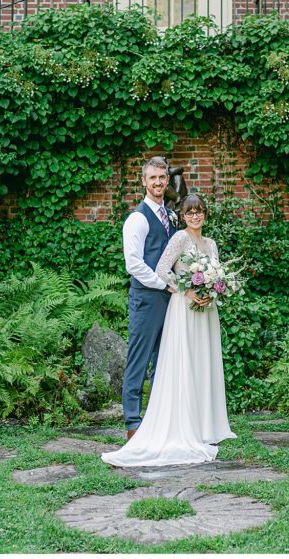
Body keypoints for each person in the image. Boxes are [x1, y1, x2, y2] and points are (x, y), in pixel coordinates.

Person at [103, 193, 236, 467]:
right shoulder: (178, 237)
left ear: (205, 214)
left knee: (203, 363)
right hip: (184, 307)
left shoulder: (211, 243)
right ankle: (143, 423)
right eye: (190, 212)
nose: (195, 216)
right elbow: (163, 268)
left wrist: (214, 290)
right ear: (184, 216)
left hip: (206, 311)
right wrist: (186, 290)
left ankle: (205, 425)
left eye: (199, 211)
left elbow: (217, 273)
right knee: (181, 362)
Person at [120, 156, 177, 441]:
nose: (157, 182)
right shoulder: (138, 219)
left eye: (162, 177)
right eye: (152, 178)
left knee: (163, 359)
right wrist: (162, 284)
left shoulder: (170, 217)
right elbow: (134, 263)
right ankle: (133, 423)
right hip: (147, 298)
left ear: (167, 181)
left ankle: (156, 419)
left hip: (170, 300)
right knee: (139, 360)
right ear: (143, 181)